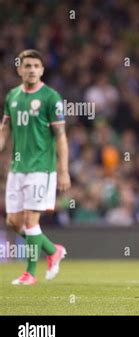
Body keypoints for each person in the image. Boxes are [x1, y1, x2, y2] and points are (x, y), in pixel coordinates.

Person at [0, 49, 70, 285]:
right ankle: (52, 250)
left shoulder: (51, 98)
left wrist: (63, 170)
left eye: (36, 66)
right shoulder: (12, 97)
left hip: (42, 168)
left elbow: (60, 136)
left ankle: (29, 273)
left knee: (31, 220)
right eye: (27, 65)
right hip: (17, 167)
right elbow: (5, 129)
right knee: (13, 222)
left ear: (42, 70)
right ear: (19, 69)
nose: (31, 70)